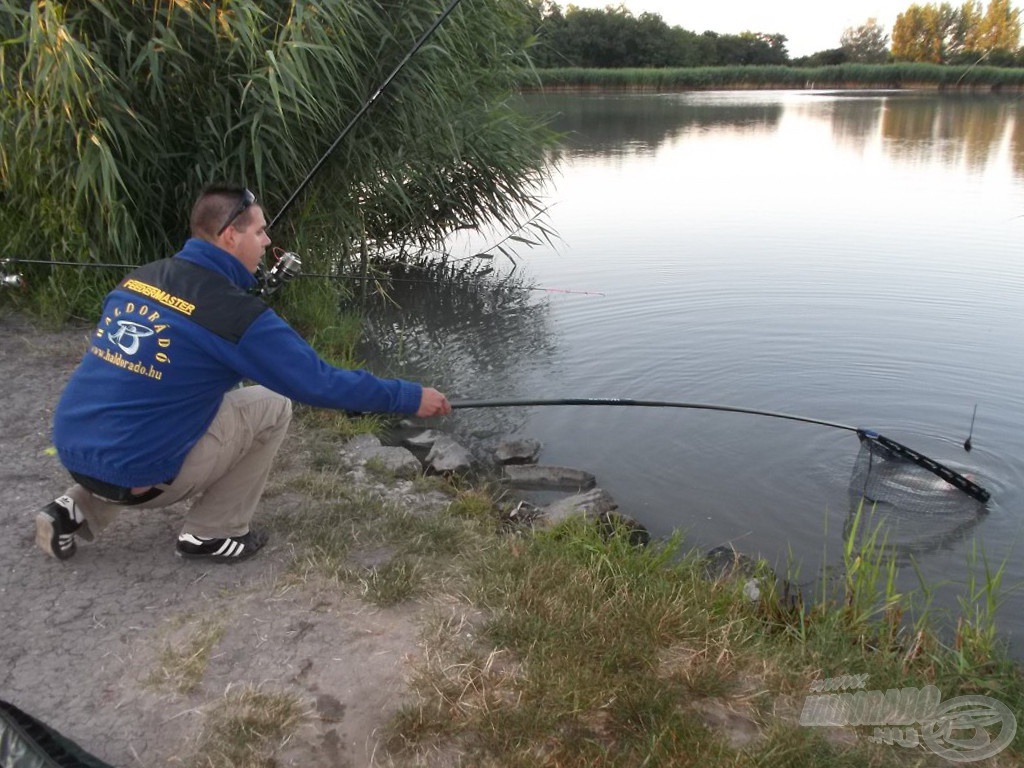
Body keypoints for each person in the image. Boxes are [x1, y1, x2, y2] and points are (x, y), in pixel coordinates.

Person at [36, 184, 451, 564]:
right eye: (260, 232)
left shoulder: (142, 277)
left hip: (75, 448)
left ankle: (74, 508)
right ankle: (211, 535)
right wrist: (410, 396)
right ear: (230, 237)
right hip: (137, 478)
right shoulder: (236, 316)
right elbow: (320, 383)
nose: (268, 241)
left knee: (152, 405)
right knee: (273, 405)